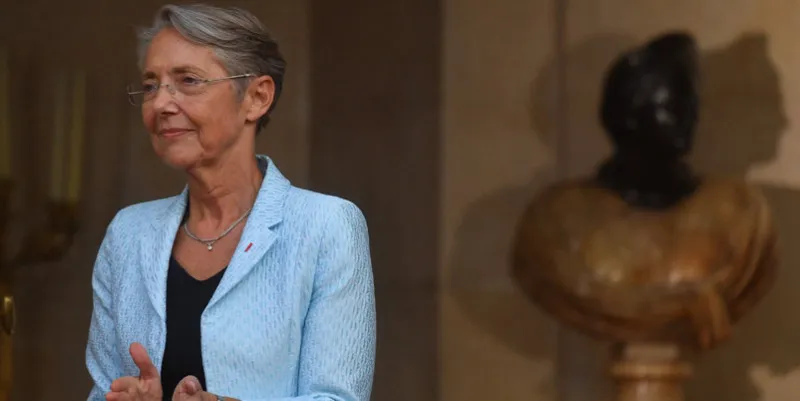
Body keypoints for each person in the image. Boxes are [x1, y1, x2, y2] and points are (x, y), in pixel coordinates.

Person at [85, 4, 376, 401]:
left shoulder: (327, 226)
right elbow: (102, 390)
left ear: (257, 97)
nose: (160, 104)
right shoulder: (128, 234)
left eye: (188, 81)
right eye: (151, 85)